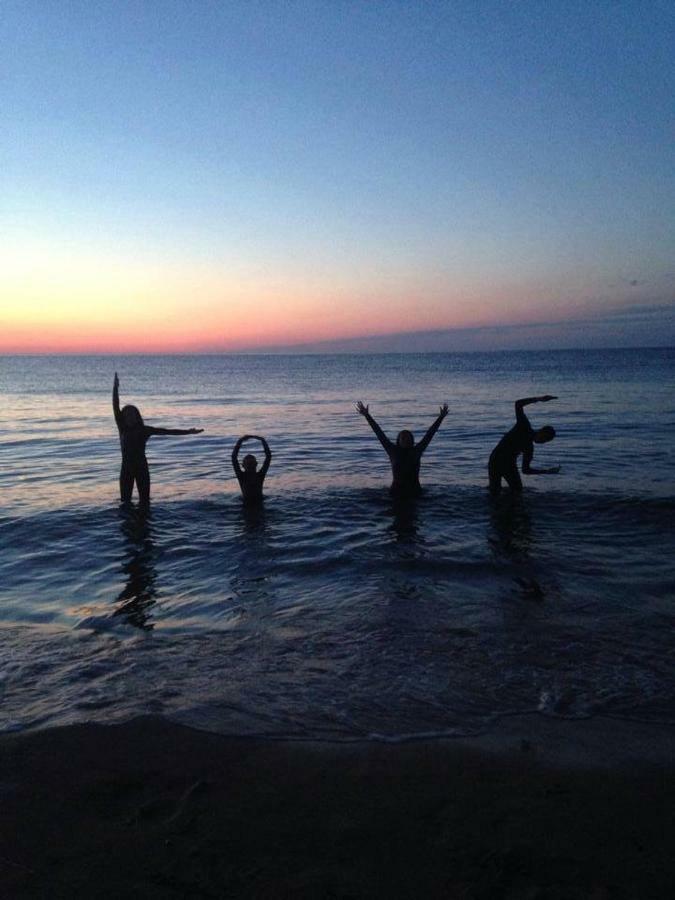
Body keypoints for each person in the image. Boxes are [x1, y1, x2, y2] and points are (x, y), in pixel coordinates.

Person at [112, 372, 203, 505]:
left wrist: (188, 432)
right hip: (126, 469)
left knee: (145, 503)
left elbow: (167, 431)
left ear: (137, 417)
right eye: (126, 415)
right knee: (125, 503)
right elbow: (115, 406)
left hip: (142, 468)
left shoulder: (145, 430)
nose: (129, 417)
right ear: (123, 418)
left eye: (132, 414)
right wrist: (115, 388)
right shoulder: (122, 428)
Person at [356, 401, 448, 495]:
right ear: (398, 440)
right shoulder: (392, 450)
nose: (406, 440)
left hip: (415, 491)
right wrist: (367, 415)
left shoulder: (417, 451)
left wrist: (441, 417)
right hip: (396, 492)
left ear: (412, 440)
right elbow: (379, 433)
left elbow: (430, 434)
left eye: (408, 437)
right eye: (403, 438)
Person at [488, 395, 560, 496]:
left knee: (517, 491)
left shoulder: (529, 448)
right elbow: (518, 404)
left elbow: (525, 470)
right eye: (543, 438)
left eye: (545, 441)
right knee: (495, 491)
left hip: (509, 464)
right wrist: (538, 399)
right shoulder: (524, 426)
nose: (542, 441)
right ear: (540, 431)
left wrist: (546, 472)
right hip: (496, 460)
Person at [231, 434, 272, 504]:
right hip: (256, 503)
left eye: (251, 463)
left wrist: (240, 440)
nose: (250, 465)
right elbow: (268, 457)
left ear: (256, 464)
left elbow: (234, 457)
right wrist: (262, 440)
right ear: (243, 465)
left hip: (249, 504)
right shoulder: (243, 476)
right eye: (249, 463)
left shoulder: (258, 476)